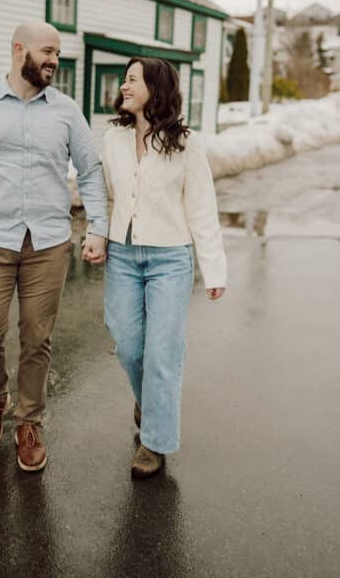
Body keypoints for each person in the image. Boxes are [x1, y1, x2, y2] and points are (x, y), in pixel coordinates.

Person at [0, 21, 108, 472]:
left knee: (37, 337)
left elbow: (90, 170)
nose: (54, 60)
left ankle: (29, 420)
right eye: (47, 51)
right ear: (18, 50)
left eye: (57, 53)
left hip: (48, 242)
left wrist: (98, 226)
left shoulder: (66, 111)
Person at [100, 57, 227, 479]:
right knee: (128, 345)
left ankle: (154, 442)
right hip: (123, 254)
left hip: (170, 259)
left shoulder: (186, 144)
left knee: (162, 353)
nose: (124, 86)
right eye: (125, 79)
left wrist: (213, 268)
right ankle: (150, 401)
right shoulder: (113, 138)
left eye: (133, 80)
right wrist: (97, 234)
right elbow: (105, 192)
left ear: (156, 88)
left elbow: (202, 207)